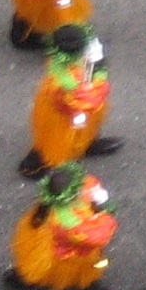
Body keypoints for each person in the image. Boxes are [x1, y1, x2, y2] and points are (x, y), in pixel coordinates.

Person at [7, 163, 120, 290]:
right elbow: (98, 238)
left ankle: (21, 278)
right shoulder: (67, 222)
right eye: (79, 190)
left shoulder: (52, 201)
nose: (82, 189)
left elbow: (88, 182)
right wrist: (105, 214)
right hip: (69, 255)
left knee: (33, 267)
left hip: (43, 243)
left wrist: (97, 193)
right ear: (72, 196)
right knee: (82, 274)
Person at [23, 23, 118, 178]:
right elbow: (65, 99)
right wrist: (90, 93)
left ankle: (86, 144)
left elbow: (97, 67)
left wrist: (98, 77)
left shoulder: (85, 53)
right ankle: (36, 164)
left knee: (86, 128)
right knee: (54, 139)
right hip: (61, 113)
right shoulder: (59, 76)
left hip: (83, 105)